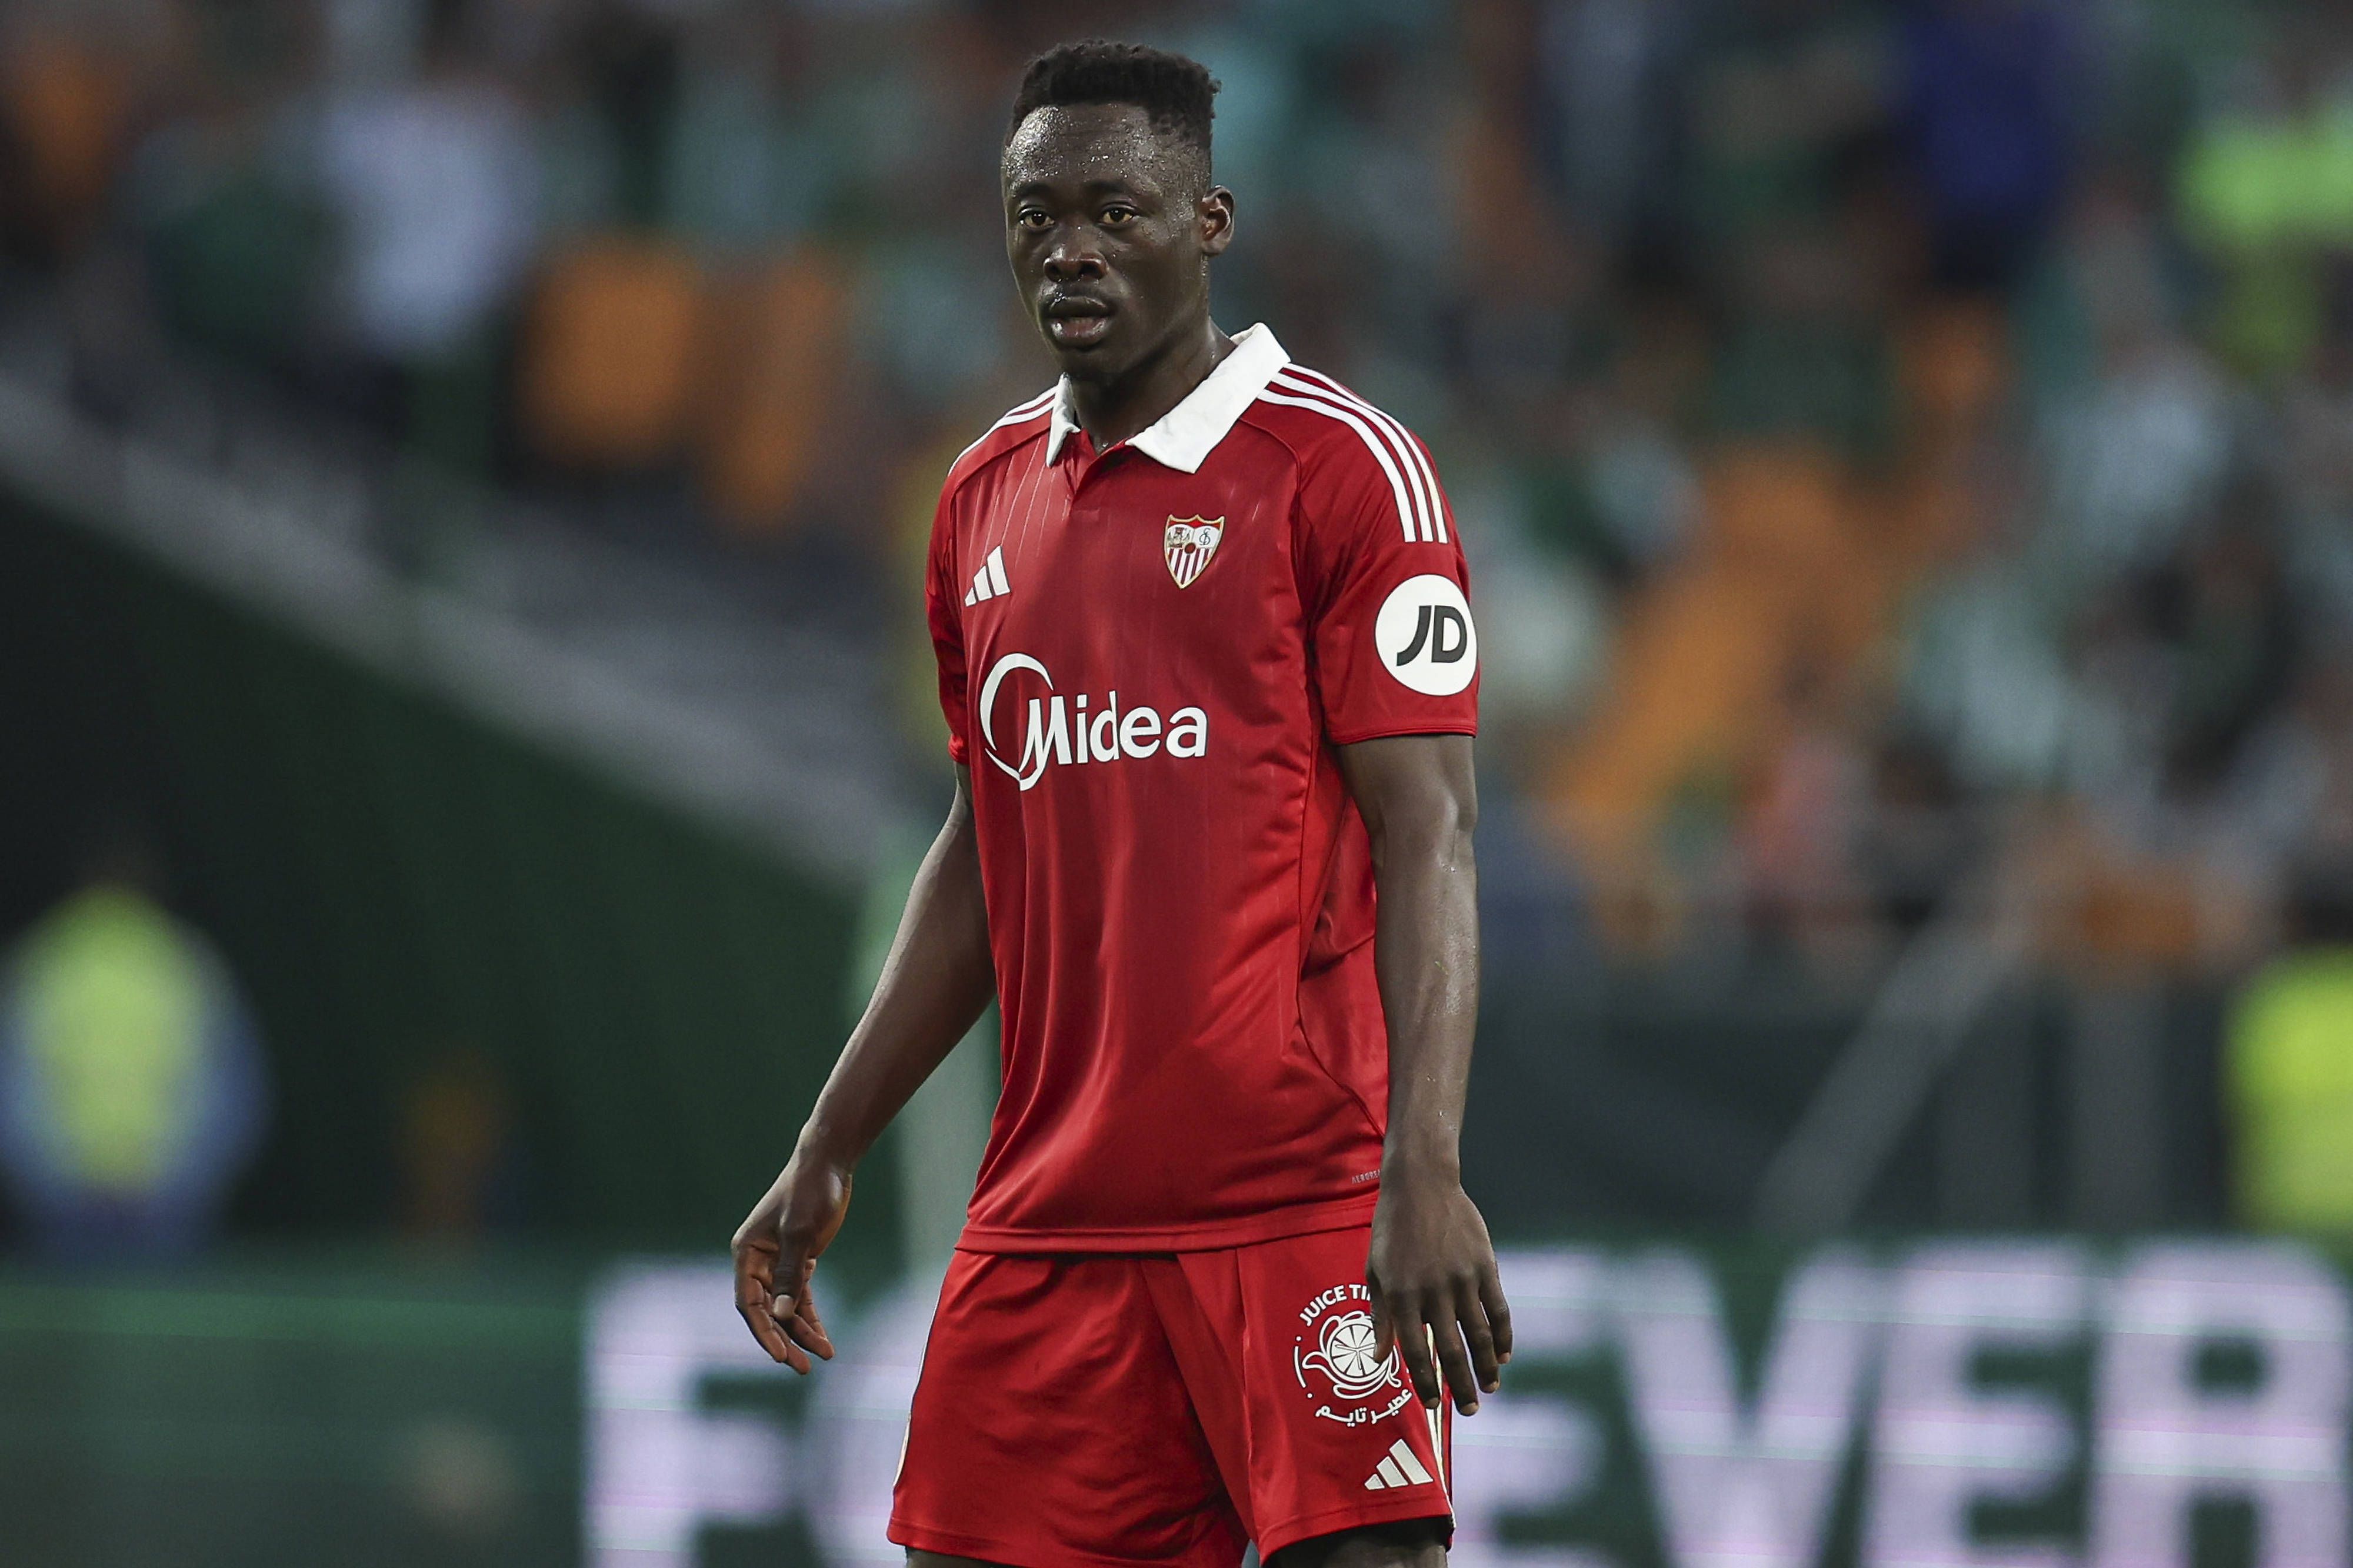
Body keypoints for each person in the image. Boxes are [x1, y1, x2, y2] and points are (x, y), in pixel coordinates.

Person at [732, 41, 1508, 1568]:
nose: (1068, 248)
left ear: (1208, 222)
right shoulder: (979, 499)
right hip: (1052, 1214)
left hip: (1296, 1199)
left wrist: (1424, 1166)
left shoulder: (1351, 473)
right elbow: (985, 843)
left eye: (1115, 209)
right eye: (1035, 214)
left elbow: (1434, 833)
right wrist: (830, 1138)